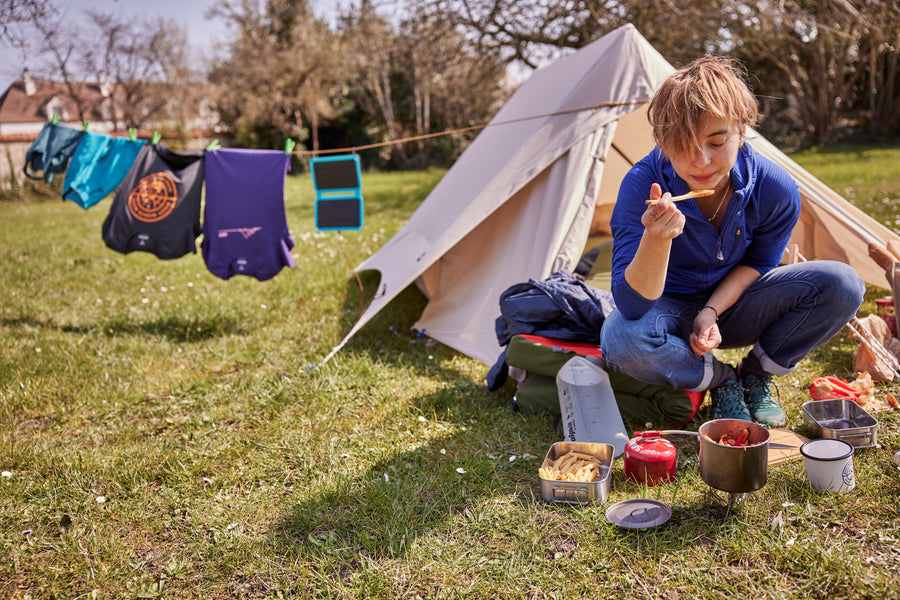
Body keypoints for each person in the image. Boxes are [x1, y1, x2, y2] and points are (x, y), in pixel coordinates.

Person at [599, 55, 866, 426]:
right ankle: (719, 380)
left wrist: (711, 311)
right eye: (682, 145)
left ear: (742, 130)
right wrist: (656, 240)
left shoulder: (776, 188)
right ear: (661, 142)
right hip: (667, 312)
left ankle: (755, 374)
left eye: (717, 141)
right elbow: (630, 305)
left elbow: (759, 263)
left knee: (844, 284)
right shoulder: (641, 185)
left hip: (736, 307)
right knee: (621, 339)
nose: (701, 161)